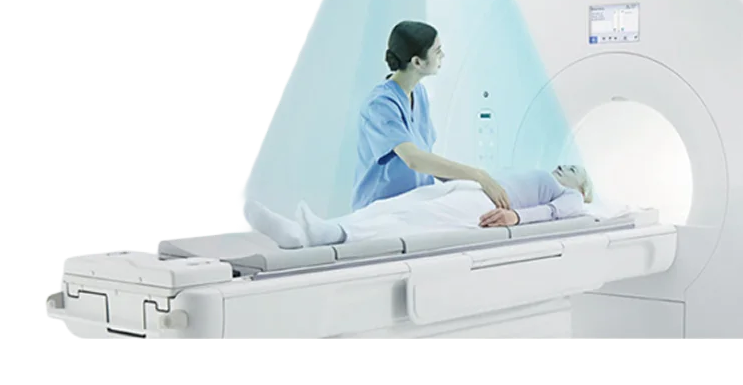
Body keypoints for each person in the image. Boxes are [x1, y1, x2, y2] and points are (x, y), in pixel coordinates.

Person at [353, 21, 511, 212]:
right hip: (380, 211)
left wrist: (476, 183)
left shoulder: (418, 93)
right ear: (417, 62)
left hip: (414, 204)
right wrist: (478, 175)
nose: (442, 55)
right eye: (437, 51)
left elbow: (426, 159)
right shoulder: (380, 104)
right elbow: (413, 158)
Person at [242, 165, 596, 249]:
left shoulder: (570, 197)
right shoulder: (541, 174)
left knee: (408, 219)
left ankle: (332, 235)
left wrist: (516, 216)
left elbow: (564, 212)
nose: (562, 167)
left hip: (482, 206)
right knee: (386, 206)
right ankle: (305, 232)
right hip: (466, 189)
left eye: (572, 169)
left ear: (581, 187)